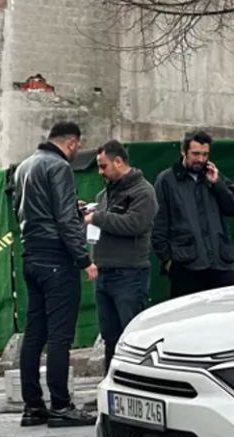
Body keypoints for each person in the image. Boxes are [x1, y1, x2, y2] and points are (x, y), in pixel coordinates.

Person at [13, 121, 97, 428]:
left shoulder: (24, 167)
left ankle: (33, 406)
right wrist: (83, 259)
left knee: (35, 333)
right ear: (72, 143)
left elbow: (19, 211)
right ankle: (61, 405)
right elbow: (64, 220)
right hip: (57, 259)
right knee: (60, 336)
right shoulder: (59, 167)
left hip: (31, 254)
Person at [85, 140, 157, 371]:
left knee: (133, 337)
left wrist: (97, 218)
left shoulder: (143, 191)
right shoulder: (104, 194)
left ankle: (139, 385)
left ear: (118, 161)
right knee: (110, 337)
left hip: (129, 273)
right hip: (104, 273)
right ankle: (112, 384)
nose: (100, 171)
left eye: (103, 165)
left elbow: (134, 224)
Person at [151, 130, 234, 299]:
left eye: (205, 154)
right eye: (195, 154)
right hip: (186, 267)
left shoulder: (214, 175)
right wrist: (168, 261)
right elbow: (158, 224)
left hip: (220, 264)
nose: (200, 159)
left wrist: (217, 184)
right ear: (183, 151)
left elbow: (233, 208)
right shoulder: (166, 180)